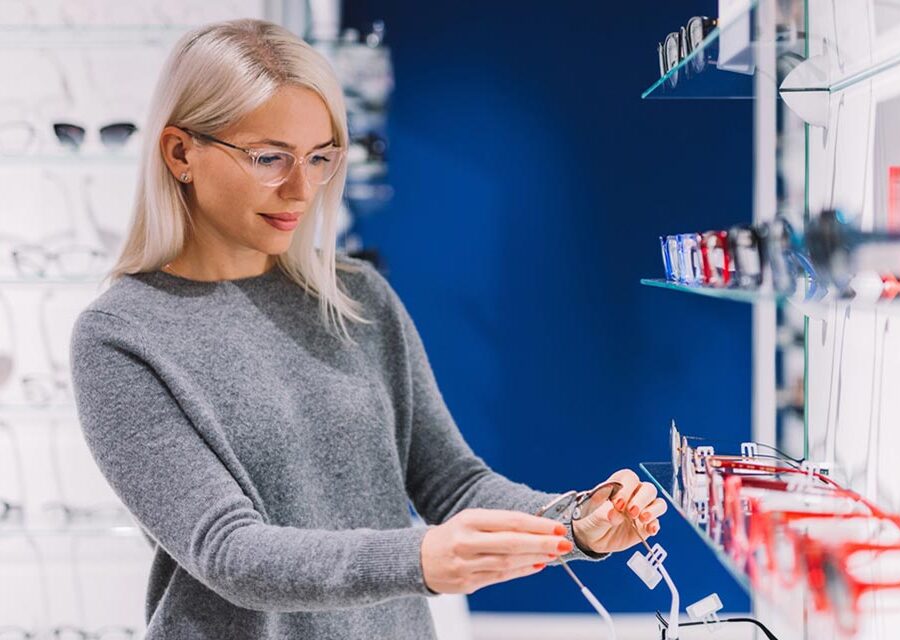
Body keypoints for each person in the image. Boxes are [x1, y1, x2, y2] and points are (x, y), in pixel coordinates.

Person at [69, 18, 667, 640]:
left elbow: (452, 482)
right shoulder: (121, 337)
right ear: (179, 152)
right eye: (269, 157)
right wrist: (417, 559)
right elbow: (228, 551)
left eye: (321, 158)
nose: (301, 189)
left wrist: (572, 524)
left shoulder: (354, 296)